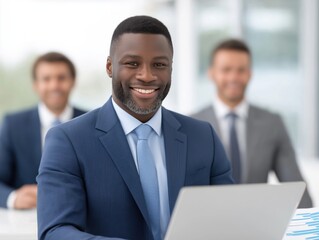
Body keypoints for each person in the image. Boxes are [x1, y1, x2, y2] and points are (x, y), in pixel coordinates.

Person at [37, 16, 234, 240]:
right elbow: (55, 232)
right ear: (110, 67)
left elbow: (226, 220)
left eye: (159, 65)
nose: (147, 76)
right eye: (133, 64)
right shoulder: (68, 140)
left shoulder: (203, 136)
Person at [192, 39, 312, 208]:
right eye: (226, 70)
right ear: (211, 73)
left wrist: (309, 230)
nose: (234, 77)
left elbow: (298, 191)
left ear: (249, 74)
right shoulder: (190, 125)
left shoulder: (272, 123)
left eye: (241, 70)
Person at [0, 52, 86, 209]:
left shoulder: (91, 122)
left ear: (73, 81)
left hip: (81, 217)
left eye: (61, 78)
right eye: (46, 79)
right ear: (36, 85)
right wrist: (13, 198)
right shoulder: (13, 125)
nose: (54, 85)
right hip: (26, 221)